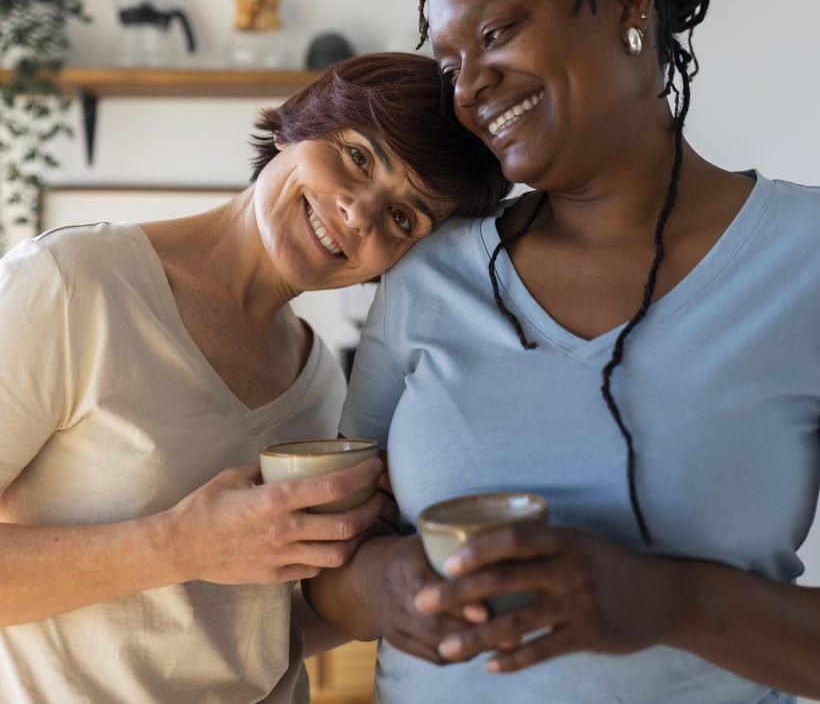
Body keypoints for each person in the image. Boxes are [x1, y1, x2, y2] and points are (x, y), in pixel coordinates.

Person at [306, 0, 820, 703]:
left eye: (498, 31)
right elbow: (332, 563)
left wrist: (675, 602)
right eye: (450, 63)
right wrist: (384, 585)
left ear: (628, 4)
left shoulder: (805, 256)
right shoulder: (427, 275)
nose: (469, 88)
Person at [0, 51, 509, 704]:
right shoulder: (73, 284)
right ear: (300, 121)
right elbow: (192, 560)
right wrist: (177, 545)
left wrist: (393, 587)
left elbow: (259, 630)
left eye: (404, 218)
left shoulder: (323, 384)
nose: (359, 215)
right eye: (359, 156)